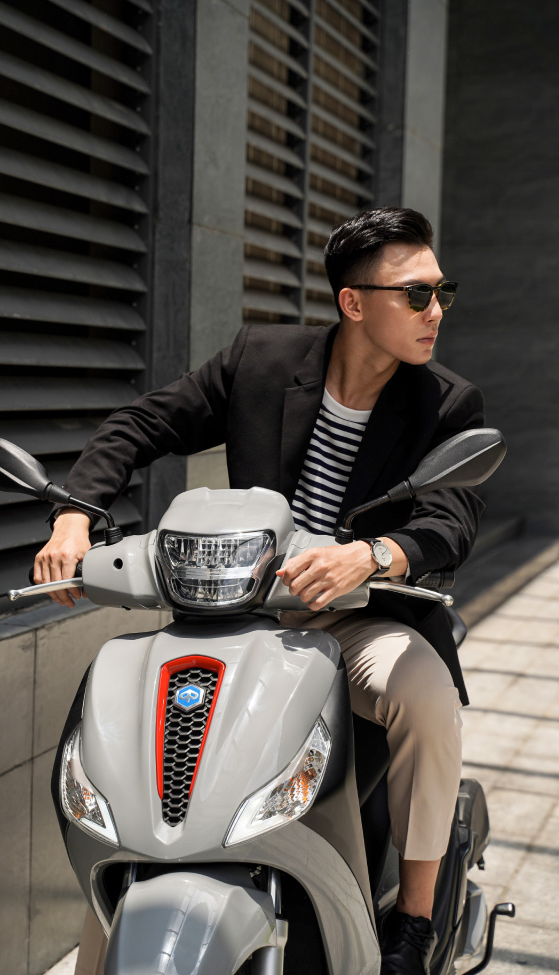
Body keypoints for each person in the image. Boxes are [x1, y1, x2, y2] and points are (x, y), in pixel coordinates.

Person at [35, 207, 484, 975]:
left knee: (425, 693)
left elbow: (452, 519)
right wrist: (74, 517)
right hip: (236, 617)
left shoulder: (445, 401)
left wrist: (372, 556)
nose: (435, 310)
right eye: (417, 294)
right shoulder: (261, 360)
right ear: (353, 302)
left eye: (442, 291)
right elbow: (143, 423)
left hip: (358, 619)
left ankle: (414, 922)